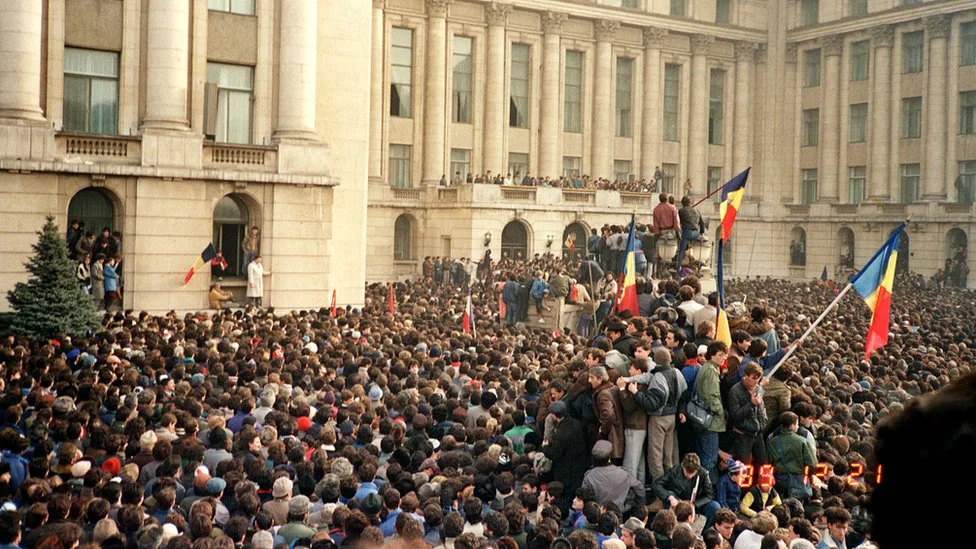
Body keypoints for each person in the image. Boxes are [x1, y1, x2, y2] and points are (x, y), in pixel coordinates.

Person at [542, 401, 589, 515]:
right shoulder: (576, 423)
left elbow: (554, 454)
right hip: (579, 466)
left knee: (567, 497)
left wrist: (545, 447)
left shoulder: (561, 433)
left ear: (554, 415)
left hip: (566, 470)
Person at [652, 453, 721, 526]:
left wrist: (695, 504)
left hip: (696, 503)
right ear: (682, 466)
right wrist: (669, 496)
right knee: (670, 495)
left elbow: (710, 495)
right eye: (688, 472)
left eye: (693, 473)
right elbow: (656, 485)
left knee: (714, 506)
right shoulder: (675, 470)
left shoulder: (703, 474)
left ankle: (703, 531)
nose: (690, 476)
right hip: (678, 501)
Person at [580, 440, 644, 513]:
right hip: (619, 512)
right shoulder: (623, 473)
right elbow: (639, 487)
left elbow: (584, 495)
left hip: (598, 513)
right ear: (609, 456)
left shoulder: (589, 476)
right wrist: (637, 505)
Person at [693, 341, 728, 474]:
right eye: (720, 355)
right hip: (710, 421)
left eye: (724, 355)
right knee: (709, 459)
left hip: (704, 418)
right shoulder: (711, 371)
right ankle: (704, 490)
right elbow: (711, 397)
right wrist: (720, 412)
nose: (723, 358)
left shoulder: (709, 368)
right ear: (712, 355)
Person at [766, 412, 816, 501]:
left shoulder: (772, 442)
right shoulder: (802, 441)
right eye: (797, 424)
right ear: (792, 425)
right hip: (799, 482)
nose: (797, 427)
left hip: (780, 482)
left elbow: (769, 462)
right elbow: (812, 463)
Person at [728, 363, 769, 466]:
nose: (755, 381)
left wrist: (764, 420)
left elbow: (762, 408)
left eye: (758, 379)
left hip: (758, 431)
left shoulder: (758, 388)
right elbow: (735, 415)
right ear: (746, 375)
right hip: (744, 434)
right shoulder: (735, 391)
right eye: (753, 378)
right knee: (743, 467)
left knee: (764, 465)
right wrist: (751, 404)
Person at [676, 196, 703, 274]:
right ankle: (698, 265)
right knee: (697, 248)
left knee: (681, 250)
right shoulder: (697, 210)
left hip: (687, 232)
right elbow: (702, 224)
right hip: (696, 233)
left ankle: (678, 267)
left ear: (682, 203)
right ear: (690, 203)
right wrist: (701, 233)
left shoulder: (681, 211)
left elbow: (678, 223)